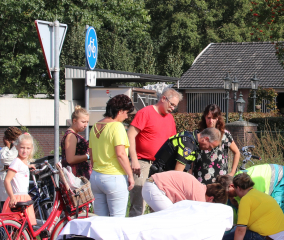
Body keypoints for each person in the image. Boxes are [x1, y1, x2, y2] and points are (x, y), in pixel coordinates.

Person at [220, 173, 284, 240]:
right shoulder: (261, 195)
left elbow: (241, 230)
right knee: (244, 236)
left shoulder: (246, 199)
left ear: (238, 188)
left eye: (235, 189)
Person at [127, 87, 181, 217]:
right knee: (139, 201)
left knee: (159, 202)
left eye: (175, 106)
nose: (173, 108)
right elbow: (130, 135)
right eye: (172, 104)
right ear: (163, 98)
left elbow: (172, 142)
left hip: (161, 166)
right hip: (143, 163)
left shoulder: (170, 119)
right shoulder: (145, 113)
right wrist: (134, 160)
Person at [89, 94, 135, 218]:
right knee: (117, 219)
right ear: (119, 111)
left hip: (96, 176)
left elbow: (91, 153)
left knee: (100, 219)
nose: (127, 116)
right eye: (126, 113)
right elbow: (120, 154)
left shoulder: (95, 126)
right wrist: (130, 175)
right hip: (114, 177)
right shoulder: (117, 127)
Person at [1, 133, 36, 240]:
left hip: (23, 197)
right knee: (17, 237)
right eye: (22, 148)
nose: (25, 151)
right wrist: (12, 196)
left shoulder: (21, 163)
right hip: (18, 199)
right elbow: (7, 180)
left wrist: (29, 166)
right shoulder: (16, 162)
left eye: (28, 148)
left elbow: (22, 168)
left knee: (17, 235)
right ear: (17, 147)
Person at [191, 104, 240, 183]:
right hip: (199, 177)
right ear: (204, 117)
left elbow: (237, 152)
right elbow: (192, 154)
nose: (211, 121)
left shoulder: (224, 135)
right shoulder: (199, 134)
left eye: (214, 118)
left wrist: (232, 173)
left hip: (219, 179)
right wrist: (190, 173)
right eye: (209, 118)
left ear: (218, 118)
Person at [141, 170, 227, 212]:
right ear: (211, 199)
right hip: (155, 188)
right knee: (170, 219)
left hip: (155, 185)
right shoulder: (199, 198)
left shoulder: (199, 187)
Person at [149, 127, 221, 176]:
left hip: (164, 177)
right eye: (210, 147)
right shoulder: (188, 144)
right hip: (159, 178)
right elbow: (178, 172)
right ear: (206, 139)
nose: (209, 150)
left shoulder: (192, 141)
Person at [60, 106, 91, 179]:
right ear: (74, 121)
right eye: (83, 122)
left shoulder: (75, 135)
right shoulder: (71, 136)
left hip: (78, 173)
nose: (86, 125)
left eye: (87, 122)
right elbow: (70, 159)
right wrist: (88, 156)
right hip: (75, 175)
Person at [0, 126, 23, 204]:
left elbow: (5, 159)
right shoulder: (15, 147)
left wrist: (6, 146)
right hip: (7, 177)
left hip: (8, 176)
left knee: (7, 202)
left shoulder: (16, 147)